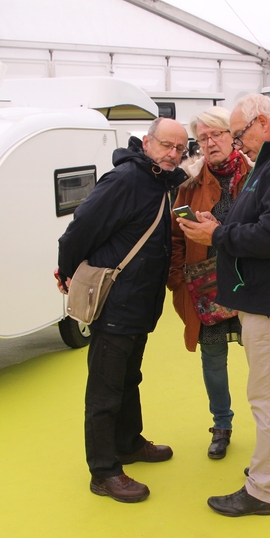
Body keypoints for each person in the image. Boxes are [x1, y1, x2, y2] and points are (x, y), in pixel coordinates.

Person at [178, 94, 270, 517]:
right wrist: (221, 227)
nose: (238, 144)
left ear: (262, 122)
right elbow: (266, 223)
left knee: (268, 393)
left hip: (267, 294)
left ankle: (261, 489)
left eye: (239, 134)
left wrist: (217, 238)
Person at [57, 118, 189, 504]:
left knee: (130, 378)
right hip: (116, 304)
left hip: (139, 305)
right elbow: (79, 230)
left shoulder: (158, 183)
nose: (173, 154)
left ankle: (129, 443)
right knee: (105, 390)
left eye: (180, 149)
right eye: (167, 145)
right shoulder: (127, 181)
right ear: (146, 142)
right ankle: (103, 471)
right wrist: (68, 272)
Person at [168, 107, 251, 460]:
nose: (210, 142)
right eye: (202, 138)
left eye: (215, 134)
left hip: (251, 286)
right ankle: (222, 425)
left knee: (264, 359)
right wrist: (177, 280)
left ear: (232, 135)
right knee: (213, 359)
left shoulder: (258, 176)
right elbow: (173, 238)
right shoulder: (188, 186)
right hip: (206, 289)